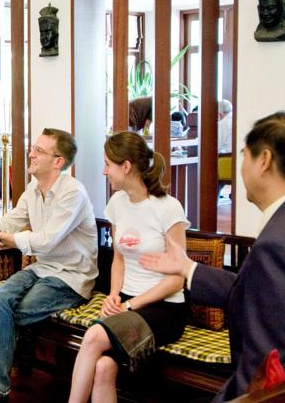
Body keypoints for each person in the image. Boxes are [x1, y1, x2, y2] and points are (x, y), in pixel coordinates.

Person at [141, 112, 285, 402]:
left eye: (244, 155)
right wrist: (188, 268)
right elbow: (261, 293)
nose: (241, 166)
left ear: (264, 160)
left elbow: (265, 373)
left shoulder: (277, 244)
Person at [0, 128, 98, 403]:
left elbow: (46, 242)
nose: (31, 154)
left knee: (3, 316)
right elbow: (8, 223)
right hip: (40, 270)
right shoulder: (32, 191)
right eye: (33, 148)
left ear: (58, 161)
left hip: (70, 277)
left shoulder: (72, 193)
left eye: (39, 150)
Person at [68, 131, 189, 403]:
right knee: (103, 367)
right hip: (127, 302)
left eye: (108, 164)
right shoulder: (117, 204)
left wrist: (130, 305)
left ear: (126, 166)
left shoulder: (168, 208)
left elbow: (177, 280)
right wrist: (113, 295)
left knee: (93, 336)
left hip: (165, 309)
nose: (104, 171)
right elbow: (119, 259)